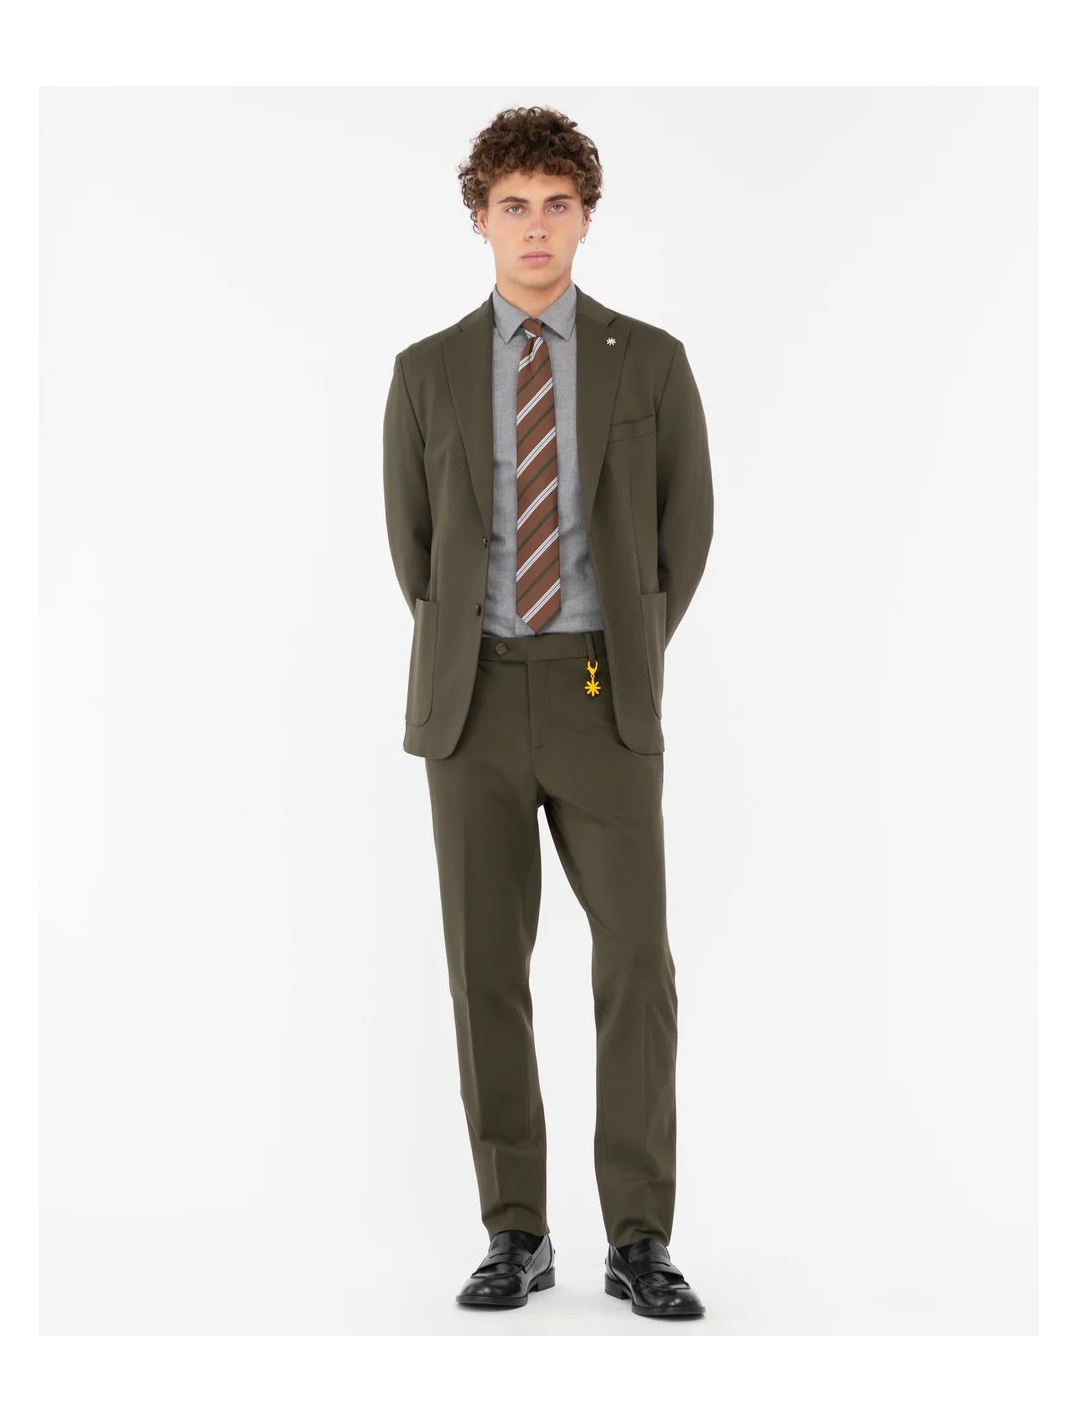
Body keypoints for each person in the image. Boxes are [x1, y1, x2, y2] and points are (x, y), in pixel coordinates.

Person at [382, 105, 713, 1319]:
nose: (535, 227)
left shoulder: (648, 360)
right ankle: (513, 1232)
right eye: (512, 205)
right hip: (468, 702)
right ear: (479, 219)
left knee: (635, 962)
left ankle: (639, 1236)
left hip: (598, 694)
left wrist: (622, 652)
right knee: (485, 969)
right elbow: (414, 547)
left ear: (584, 217)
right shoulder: (423, 372)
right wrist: (473, 652)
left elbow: (685, 529)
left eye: (555, 205)